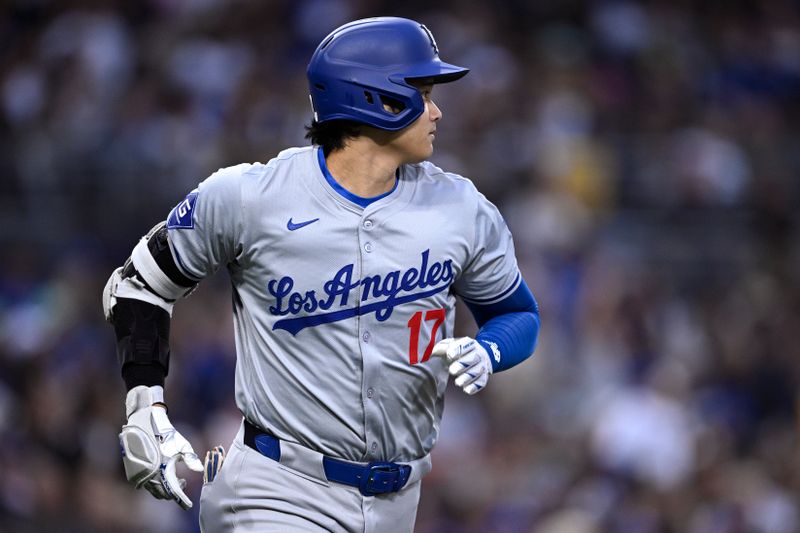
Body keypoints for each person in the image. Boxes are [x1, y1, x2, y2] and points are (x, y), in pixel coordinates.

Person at [102, 16, 540, 533]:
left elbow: (517, 315)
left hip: (399, 499)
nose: (436, 110)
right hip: (277, 489)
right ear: (377, 98)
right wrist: (144, 403)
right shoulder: (251, 197)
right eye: (421, 92)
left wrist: (488, 350)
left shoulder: (461, 207)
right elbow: (138, 284)